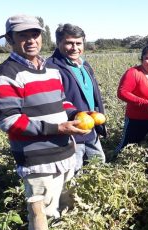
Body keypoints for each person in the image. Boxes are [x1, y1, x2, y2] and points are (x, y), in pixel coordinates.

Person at [0, 15, 89, 230]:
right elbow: (9, 121)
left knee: (68, 212)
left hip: (66, 155)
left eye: (35, 34)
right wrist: (57, 129)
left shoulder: (50, 69)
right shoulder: (5, 75)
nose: (31, 40)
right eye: (23, 35)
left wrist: (77, 113)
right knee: (44, 219)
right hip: (39, 162)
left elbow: (63, 101)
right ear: (9, 40)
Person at [46, 23, 107, 173]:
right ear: (58, 43)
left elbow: (93, 95)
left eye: (78, 43)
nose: (75, 48)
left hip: (91, 127)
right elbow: (53, 101)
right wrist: (72, 116)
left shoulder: (84, 65)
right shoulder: (50, 68)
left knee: (99, 168)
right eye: (69, 43)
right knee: (74, 173)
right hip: (71, 131)